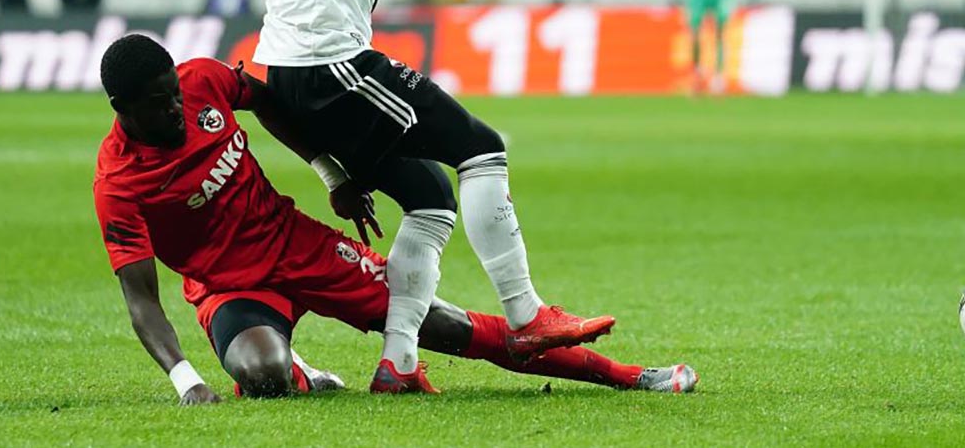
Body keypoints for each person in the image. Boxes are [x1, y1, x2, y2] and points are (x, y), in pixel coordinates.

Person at [172, 0, 614, 392]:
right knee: (482, 149)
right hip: (330, 66)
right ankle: (526, 313)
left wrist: (333, 173)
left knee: (430, 196)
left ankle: (399, 362)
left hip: (297, 74)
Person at [93, 34, 699, 401]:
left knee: (440, 327)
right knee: (264, 374)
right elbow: (142, 299)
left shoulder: (202, 81)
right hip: (229, 286)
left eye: (174, 92)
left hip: (296, 245)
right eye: (158, 104)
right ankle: (298, 368)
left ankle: (629, 375)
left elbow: (274, 104)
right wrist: (186, 382)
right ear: (123, 109)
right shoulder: (119, 183)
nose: (176, 107)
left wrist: (332, 173)